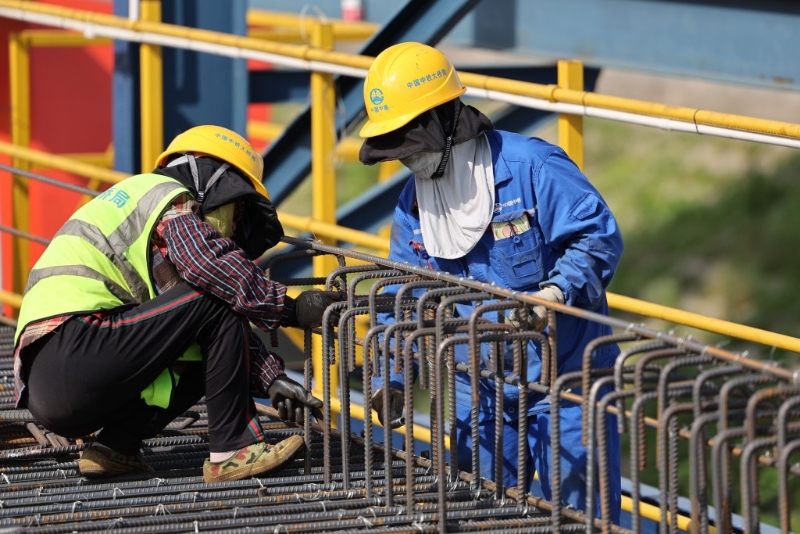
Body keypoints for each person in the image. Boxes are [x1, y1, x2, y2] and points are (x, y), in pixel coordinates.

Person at [358, 43, 624, 521]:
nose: (406, 159)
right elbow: (400, 297)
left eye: (409, 143)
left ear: (443, 121)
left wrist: (554, 293)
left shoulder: (531, 168)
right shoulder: (414, 206)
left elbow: (597, 237)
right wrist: (390, 380)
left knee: (581, 517)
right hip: (476, 388)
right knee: (478, 513)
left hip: (567, 383)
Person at [12, 125, 344, 483]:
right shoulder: (169, 197)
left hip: (52, 382)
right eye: (237, 207)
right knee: (219, 288)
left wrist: (271, 379)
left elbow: (203, 322)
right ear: (212, 181)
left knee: (205, 325)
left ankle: (115, 447)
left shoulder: (142, 210)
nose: (235, 224)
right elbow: (211, 274)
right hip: (75, 348)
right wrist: (291, 310)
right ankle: (234, 450)